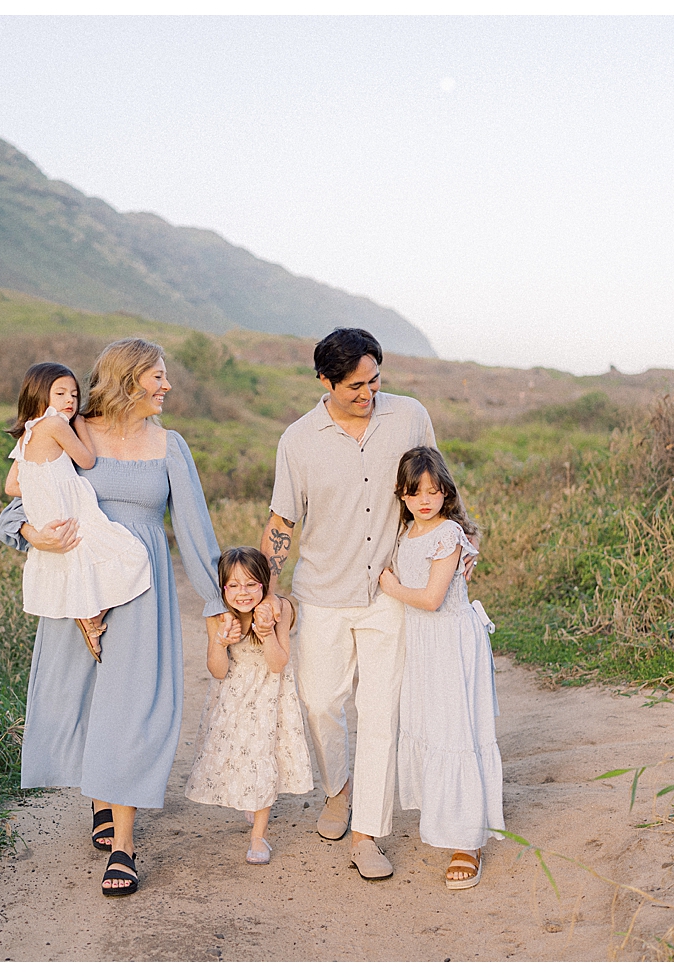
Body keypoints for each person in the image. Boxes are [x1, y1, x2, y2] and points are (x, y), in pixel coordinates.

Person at [0, 338, 226, 897]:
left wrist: (221, 602)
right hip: (80, 580)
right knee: (82, 697)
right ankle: (101, 793)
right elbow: (18, 504)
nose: (166, 387)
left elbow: (195, 531)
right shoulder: (74, 433)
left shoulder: (171, 447)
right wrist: (34, 539)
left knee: (133, 703)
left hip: (142, 585)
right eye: (157, 377)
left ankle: (124, 844)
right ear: (127, 379)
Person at [260, 327, 471, 882]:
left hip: (389, 592)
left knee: (380, 715)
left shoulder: (409, 417)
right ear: (325, 381)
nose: (369, 393)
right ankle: (339, 788)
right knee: (318, 701)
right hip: (322, 593)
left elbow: (434, 486)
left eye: (376, 380)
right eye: (356, 385)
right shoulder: (298, 440)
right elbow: (282, 522)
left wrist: (456, 543)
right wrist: (266, 591)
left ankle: (367, 834)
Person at [378, 447, 504, 890]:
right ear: (403, 495)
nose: (425, 500)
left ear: (446, 492)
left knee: (457, 734)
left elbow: (432, 599)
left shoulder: (447, 533)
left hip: (450, 641)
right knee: (435, 730)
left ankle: (468, 841)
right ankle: (448, 817)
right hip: (424, 646)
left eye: (433, 491)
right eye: (416, 493)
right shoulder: (405, 531)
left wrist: (391, 587)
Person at [2, 362, 151, 661]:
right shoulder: (56, 425)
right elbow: (87, 461)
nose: (70, 401)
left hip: (50, 518)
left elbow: (11, 486)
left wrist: (45, 487)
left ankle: (90, 619)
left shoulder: (27, 434)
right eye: (60, 394)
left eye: (73, 394)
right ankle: (92, 618)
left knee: (87, 568)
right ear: (39, 396)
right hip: (72, 512)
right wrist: (81, 426)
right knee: (136, 558)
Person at [185, 547, 312, 865]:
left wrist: (267, 632)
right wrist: (221, 642)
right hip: (232, 699)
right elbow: (217, 671)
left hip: (268, 697)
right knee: (240, 757)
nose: (242, 593)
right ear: (223, 588)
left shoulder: (278, 609)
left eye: (251, 584)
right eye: (234, 585)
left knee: (262, 760)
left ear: (264, 583)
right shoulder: (217, 616)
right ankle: (251, 799)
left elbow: (278, 663)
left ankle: (259, 835)